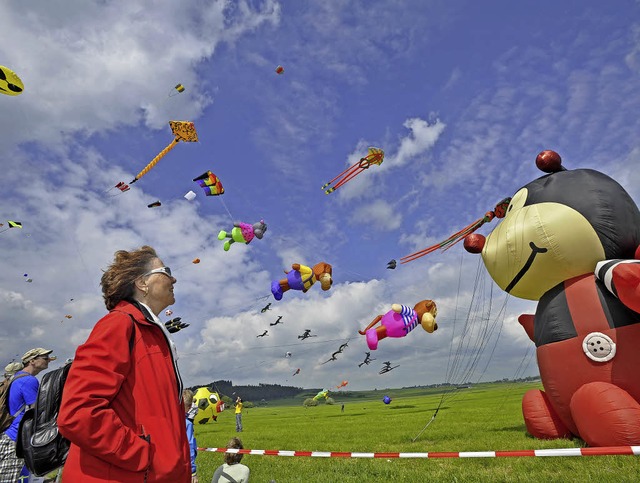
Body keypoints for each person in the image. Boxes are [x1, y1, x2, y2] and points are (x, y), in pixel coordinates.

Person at [58, 245, 191, 482]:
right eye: (166, 270)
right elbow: (79, 412)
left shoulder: (151, 331)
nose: (174, 278)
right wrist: (141, 455)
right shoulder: (119, 324)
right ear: (142, 283)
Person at [0, 348, 56, 483]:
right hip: (16, 438)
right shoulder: (29, 381)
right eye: (44, 357)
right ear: (32, 361)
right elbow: (38, 411)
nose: (48, 360)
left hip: (9, 434)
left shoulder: (17, 377)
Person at [183, 389, 198, 483]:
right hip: (185, 466)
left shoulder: (169, 421)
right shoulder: (187, 424)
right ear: (189, 407)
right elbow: (190, 445)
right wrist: (193, 471)